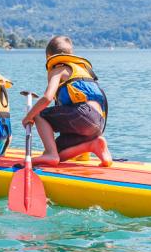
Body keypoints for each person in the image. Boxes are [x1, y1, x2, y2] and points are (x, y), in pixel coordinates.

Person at [22, 35, 112, 167]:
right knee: (60, 154)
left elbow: (47, 98)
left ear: (49, 56)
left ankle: (50, 154)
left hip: (84, 114)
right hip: (98, 123)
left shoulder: (58, 69)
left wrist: (29, 117)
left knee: (39, 113)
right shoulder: (82, 70)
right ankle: (91, 146)